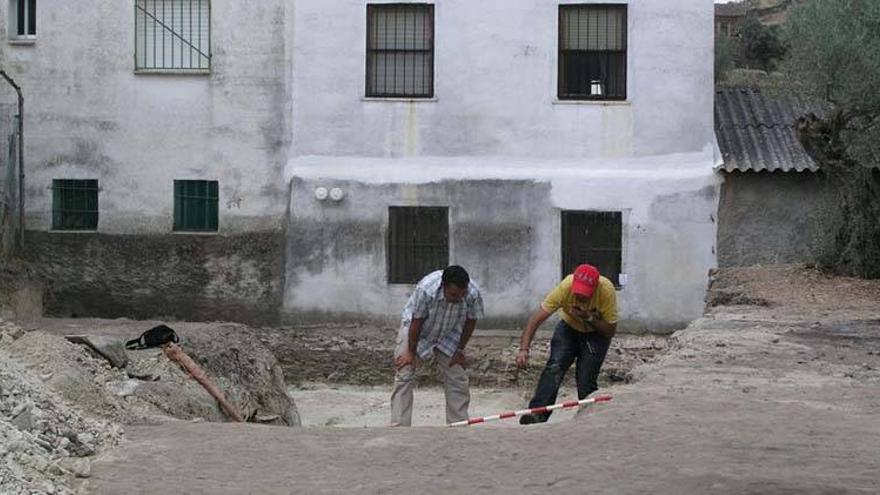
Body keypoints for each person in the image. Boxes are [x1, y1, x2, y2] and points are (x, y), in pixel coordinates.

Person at [515, 263, 618, 424]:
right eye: (577, 293)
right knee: (554, 367)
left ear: (595, 288)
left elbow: (610, 331)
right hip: (568, 329)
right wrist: (524, 349)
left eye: (584, 295)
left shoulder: (606, 291)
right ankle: (537, 414)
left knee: (585, 378)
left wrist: (589, 318)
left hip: (596, 334)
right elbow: (536, 319)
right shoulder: (565, 287)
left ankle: (589, 418)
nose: (579, 298)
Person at [390, 265, 484, 427]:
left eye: (462, 295)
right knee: (404, 372)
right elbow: (416, 322)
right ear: (444, 286)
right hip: (419, 329)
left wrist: (459, 349)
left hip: (450, 331)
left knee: (458, 376)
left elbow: (471, 321)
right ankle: (400, 426)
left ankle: (458, 425)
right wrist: (410, 353)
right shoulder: (426, 290)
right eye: (454, 295)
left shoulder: (472, 294)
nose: (458, 298)